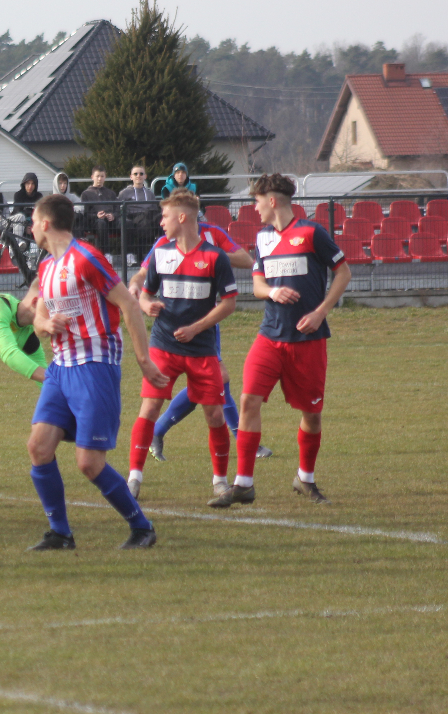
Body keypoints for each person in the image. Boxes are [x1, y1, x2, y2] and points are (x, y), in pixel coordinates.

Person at [24, 194, 167, 552]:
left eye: (33, 221)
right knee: (38, 447)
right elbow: (38, 318)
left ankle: (142, 527)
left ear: (46, 223)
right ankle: (60, 534)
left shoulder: (86, 257)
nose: (30, 227)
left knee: (89, 463)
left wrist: (144, 361)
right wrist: (46, 324)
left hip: (94, 364)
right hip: (60, 367)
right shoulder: (46, 268)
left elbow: (129, 304)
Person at [209, 173, 351, 508]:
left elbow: (343, 272)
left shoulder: (312, 233)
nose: (254, 208)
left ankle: (305, 478)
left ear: (272, 201)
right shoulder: (263, 238)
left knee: (311, 415)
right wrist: (272, 292)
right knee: (248, 401)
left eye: (257, 201)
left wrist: (320, 313)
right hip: (269, 336)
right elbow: (258, 284)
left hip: (308, 341)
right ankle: (244, 484)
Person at [126, 206, 270, 462]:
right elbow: (143, 273)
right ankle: (235, 436)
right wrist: (136, 289)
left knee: (214, 382)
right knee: (216, 381)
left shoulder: (213, 235)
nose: (162, 222)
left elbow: (246, 260)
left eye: (167, 215)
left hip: (204, 324)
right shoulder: (165, 243)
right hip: (172, 332)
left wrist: (209, 256)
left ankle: (161, 431)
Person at [126, 191, 239, 501]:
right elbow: (146, 292)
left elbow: (229, 303)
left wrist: (196, 328)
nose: (161, 222)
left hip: (202, 349)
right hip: (163, 346)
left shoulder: (215, 257)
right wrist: (146, 303)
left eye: (164, 216)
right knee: (150, 408)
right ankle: (134, 478)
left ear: (182, 217)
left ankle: (220, 481)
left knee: (214, 415)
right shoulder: (161, 252)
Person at [118, 165, 160, 267]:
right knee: (144, 222)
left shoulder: (150, 193)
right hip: (133, 216)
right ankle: (141, 255)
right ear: (131, 176)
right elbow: (119, 209)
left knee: (160, 220)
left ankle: (162, 252)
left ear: (145, 176)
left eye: (141, 174)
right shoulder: (124, 193)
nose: (138, 176)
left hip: (149, 216)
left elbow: (154, 208)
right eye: (135, 174)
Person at [79, 166, 120, 259]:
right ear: (92, 177)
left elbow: (117, 208)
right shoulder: (86, 194)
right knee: (101, 223)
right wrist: (96, 216)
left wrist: (113, 215)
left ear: (105, 177)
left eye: (102, 176)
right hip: (95, 222)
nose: (100, 179)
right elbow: (85, 213)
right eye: (97, 176)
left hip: (111, 221)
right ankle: (106, 254)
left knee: (127, 223)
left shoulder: (111, 193)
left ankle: (129, 254)